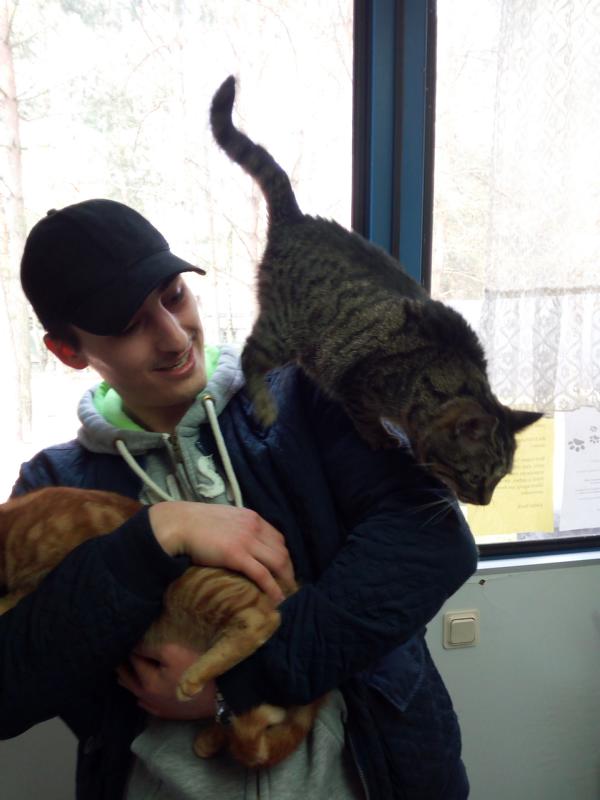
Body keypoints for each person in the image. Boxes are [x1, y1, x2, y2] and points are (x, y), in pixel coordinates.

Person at [1, 198, 478, 799]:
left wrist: (241, 680)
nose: (173, 336)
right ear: (68, 351)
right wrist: (153, 537)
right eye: (128, 325)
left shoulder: (307, 398)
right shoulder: (52, 488)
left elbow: (434, 544)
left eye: (174, 296)